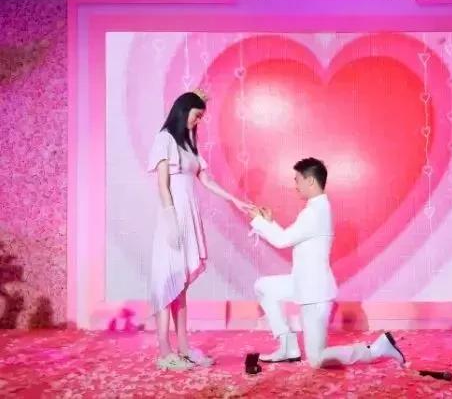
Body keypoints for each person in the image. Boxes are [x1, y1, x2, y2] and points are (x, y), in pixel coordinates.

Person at [248, 157, 406, 368]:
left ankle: (376, 349)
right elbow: (290, 237)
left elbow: (282, 240)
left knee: (317, 359)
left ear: (310, 181)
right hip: (303, 283)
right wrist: (268, 222)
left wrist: (258, 221)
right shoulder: (317, 209)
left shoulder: (314, 212)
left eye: (297, 180)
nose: (295, 185)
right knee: (263, 287)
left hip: (315, 293)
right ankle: (287, 346)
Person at [148, 90, 252, 370]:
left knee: (180, 286)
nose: (198, 122)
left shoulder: (188, 144)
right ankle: (164, 351)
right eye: (196, 115)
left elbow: (206, 180)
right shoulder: (164, 139)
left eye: (201, 117)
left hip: (189, 218)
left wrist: (236, 201)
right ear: (184, 111)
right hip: (173, 218)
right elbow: (163, 185)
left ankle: (183, 348)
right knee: (166, 281)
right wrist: (170, 219)